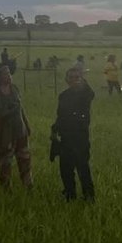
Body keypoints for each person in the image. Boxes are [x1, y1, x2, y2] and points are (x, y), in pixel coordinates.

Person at [0, 64, 32, 190]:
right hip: (4, 135)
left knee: (25, 160)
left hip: (20, 132)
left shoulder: (14, 89)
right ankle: (6, 191)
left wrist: (27, 125)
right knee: (5, 164)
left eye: (9, 73)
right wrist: (7, 114)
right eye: (5, 73)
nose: (9, 76)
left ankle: (28, 186)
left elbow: (20, 109)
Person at [51, 68, 95, 202]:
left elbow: (90, 93)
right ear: (67, 80)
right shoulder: (63, 96)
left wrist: (84, 83)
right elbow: (60, 115)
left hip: (80, 137)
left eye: (77, 77)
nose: (74, 80)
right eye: (71, 77)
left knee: (83, 167)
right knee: (65, 169)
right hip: (65, 137)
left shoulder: (85, 94)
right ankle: (69, 194)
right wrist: (54, 130)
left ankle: (89, 196)